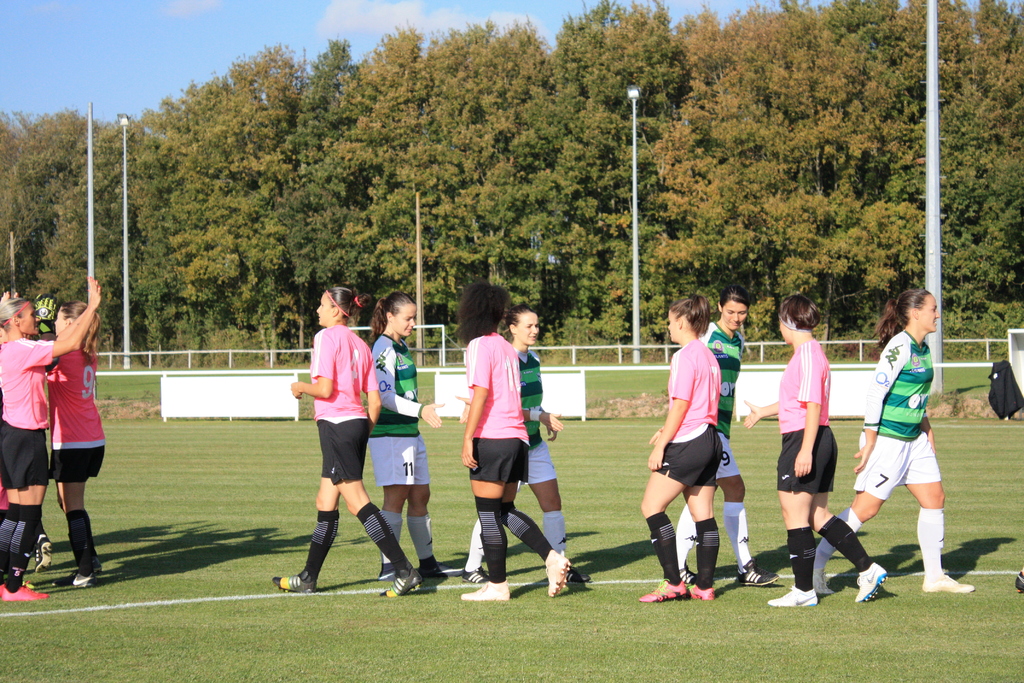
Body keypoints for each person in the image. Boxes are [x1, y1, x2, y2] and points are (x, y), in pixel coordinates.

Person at [811, 289, 975, 594]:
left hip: (914, 440)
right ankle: (815, 567)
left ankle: (934, 577)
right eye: (933, 309)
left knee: (935, 499)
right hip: (888, 440)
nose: (937, 314)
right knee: (865, 510)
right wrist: (870, 441)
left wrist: (927, 428)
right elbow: (876, 393)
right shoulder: (900, 346)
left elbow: (916, 395)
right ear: (915, 313)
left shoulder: (922, 347)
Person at [272, 287, 421, 598]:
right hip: (354, 425)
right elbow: (374, 402)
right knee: (325, 502)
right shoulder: (360, 344)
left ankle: (404, 570)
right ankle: (308, 577)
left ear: (335, 310)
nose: (317, 310)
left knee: (357, 502)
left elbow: (325, 389)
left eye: (321, 305)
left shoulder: (326, 337)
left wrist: (300, 386)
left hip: (336, 426)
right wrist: (362, 431)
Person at [744, 294, 887, 607]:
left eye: (780, 322)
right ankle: (867, 568)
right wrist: (763, 411)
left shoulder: (807, 354)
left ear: (788, 322)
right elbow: (797, 401)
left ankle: (804, 590)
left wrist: (805, 450)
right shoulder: (809, 353)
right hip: (816, 437)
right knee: (817, 515)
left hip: (805, 439)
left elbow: (813, 405)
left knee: (794, 514)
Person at [457, 282, 571, 602]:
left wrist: (468, 437)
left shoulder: (479, 345)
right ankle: (551, 557)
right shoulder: (509, 350)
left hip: (493, 437)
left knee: (488, 514)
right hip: (519, 439)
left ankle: (498, 585)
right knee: (505, 509)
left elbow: (481, 393)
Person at [0, 277, 101, 602]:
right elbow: (67, 343)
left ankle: (9, 579)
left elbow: (59, 344)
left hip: (26, 436)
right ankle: (15, 585)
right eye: (34, 315)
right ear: (16, 320)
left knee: (21, 513)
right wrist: (92, 308)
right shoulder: (33, 350)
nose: (43, 320)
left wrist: (6, 314)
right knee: (33, 513)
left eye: (54, 318)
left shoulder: (16, 350)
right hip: (46, 437)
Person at [675, 285, 778, 587]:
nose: (736, 317)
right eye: (730, 311)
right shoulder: (707, 336)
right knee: (731, 489)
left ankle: (679, 566)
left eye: (742, 312)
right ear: (719, 307)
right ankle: (745, 566)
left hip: (720, 428)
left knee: (701, 494)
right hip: (707, 428)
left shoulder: (739, 341)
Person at [367, 291, 457, 582]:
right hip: (391, 435)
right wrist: (421, 409)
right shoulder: (383, 348)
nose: (413, 323)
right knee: (395, 499)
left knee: (420, 496)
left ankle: (427, 563)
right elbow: (384, 397)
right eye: (408, 318)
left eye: (414, 317)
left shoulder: (401, 345)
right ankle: (389, 567)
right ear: (390, 316)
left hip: (409, 433)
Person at [639, 295, 722, 603]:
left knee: (651, 506)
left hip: (689, 441)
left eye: (671, 321)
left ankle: (674, 583)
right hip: (710, 439)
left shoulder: (684, 356)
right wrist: (666, 429)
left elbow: (682, 405)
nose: (669, 326)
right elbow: (698, 405)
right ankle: (704, 586)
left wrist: (662, 445)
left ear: (683, 322)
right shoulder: (709, 355)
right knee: (703, 514)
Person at [47, 300, 106, 589]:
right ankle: (90, 558)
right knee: (67, 502)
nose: (54, 324)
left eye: (58, 319)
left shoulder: (64, 352)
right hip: (92, 437)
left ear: (70, 324)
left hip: (72, 440)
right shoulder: (87, 350)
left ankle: (85, 572)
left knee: (73, 507)